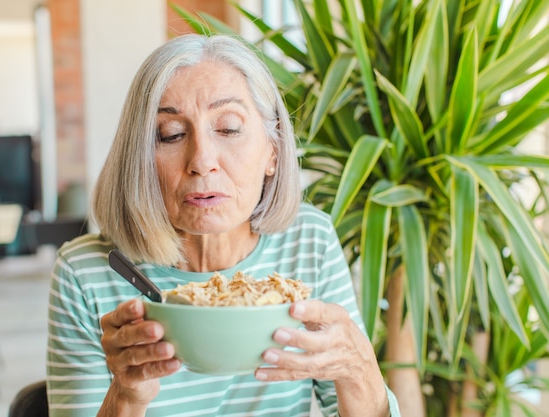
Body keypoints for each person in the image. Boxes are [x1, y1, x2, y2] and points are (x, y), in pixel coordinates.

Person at [46, 33, 401, 417]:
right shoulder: (85, 273)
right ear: (140, 161)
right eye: (171, 135)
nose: (202, 160)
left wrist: (358, 370)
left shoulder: (307, 241)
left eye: (229, 128)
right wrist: (126, 398)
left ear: (273, 151)